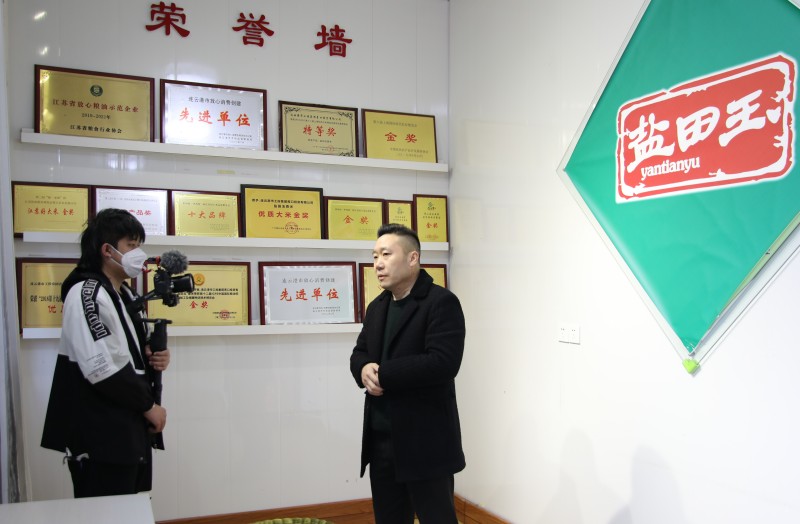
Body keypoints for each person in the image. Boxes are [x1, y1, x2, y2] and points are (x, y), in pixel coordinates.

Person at [41, 208, 170, 498]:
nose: (139, 254)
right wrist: (148, 406)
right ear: (107, 250)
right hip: (102, 433)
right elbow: (101, 367)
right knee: (105, 510)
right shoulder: (87, 293)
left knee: (129, 507)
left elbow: (127, 351)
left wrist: (153, 356)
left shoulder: (125, 294)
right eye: (131, 245)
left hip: (129, 428)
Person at [350, 223, 466, 524]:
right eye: (375, 256)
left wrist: (383, 375)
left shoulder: (440, 302)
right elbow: (359, 353)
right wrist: (363, 369)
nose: (378, 264)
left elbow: (443, 362)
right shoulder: (377, 307)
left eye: (386, 254)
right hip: (382, 442)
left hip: (425, 443)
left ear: (413, 258)